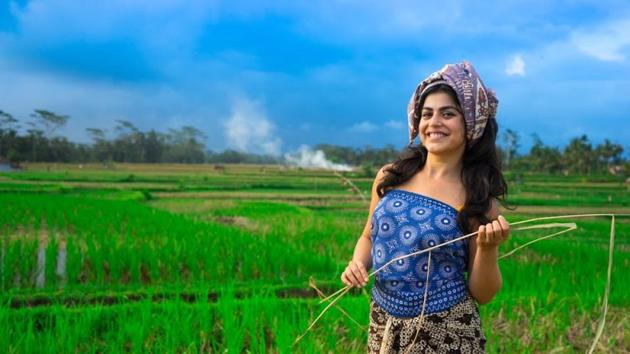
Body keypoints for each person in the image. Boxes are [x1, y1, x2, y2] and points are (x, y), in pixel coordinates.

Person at [341, 61, 511, 353]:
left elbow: (484, 293)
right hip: (384, 325)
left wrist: (488, 248)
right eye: (427, 114)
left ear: (470, 123)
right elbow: (368, 237)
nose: (434, 123)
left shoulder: (477, 199)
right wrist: (358, 264)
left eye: (448, 114)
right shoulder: (391, 177)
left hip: (446, 333)